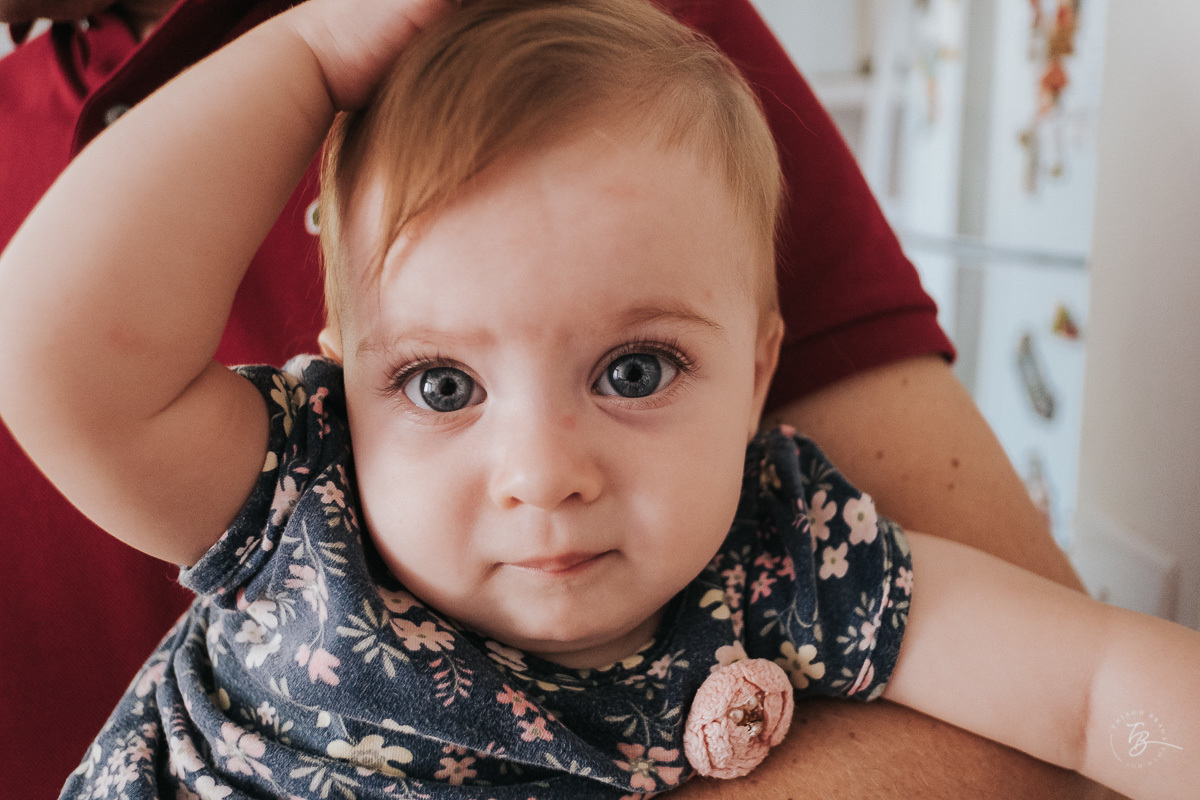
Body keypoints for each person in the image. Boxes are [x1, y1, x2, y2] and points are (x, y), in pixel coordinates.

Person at [2, 1, 1198, 798]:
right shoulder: (301, 501)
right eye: (442, 384)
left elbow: (1098, 700)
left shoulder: (795, 553)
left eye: (635, 371)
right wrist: (311, 57)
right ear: (347, 379)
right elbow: (53, 362)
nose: (543, 470)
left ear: (758, 372)